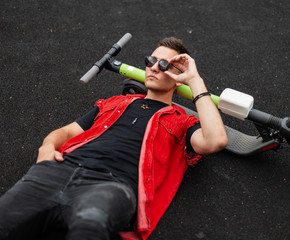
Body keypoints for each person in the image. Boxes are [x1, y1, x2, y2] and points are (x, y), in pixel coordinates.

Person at [0, 37, 228, 240]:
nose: (154, 68)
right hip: (56, 171)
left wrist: (195, 80)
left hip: (111, 186)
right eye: (151, 60)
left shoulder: (182, 121)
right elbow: (67, 132)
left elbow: (215, 140)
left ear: (179, 77)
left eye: (165, 65)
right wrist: (47, 146)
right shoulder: (116, 103)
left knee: (88, 230)